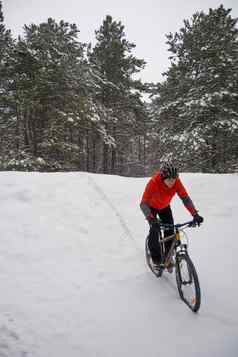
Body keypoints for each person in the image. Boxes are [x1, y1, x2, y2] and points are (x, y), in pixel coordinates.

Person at [140, 161, 203, 271]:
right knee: (155, 231)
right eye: (169, 180)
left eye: (174, 179)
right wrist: (150, 218)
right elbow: (143, 203)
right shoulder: (154, 182)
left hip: (164, 207)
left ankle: (168, 258)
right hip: (152, 207)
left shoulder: (176, 182)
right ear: (163, 177)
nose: (172, 182)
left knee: (170, 229)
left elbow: (185, 198)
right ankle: (156, 259)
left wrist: (195, 214)